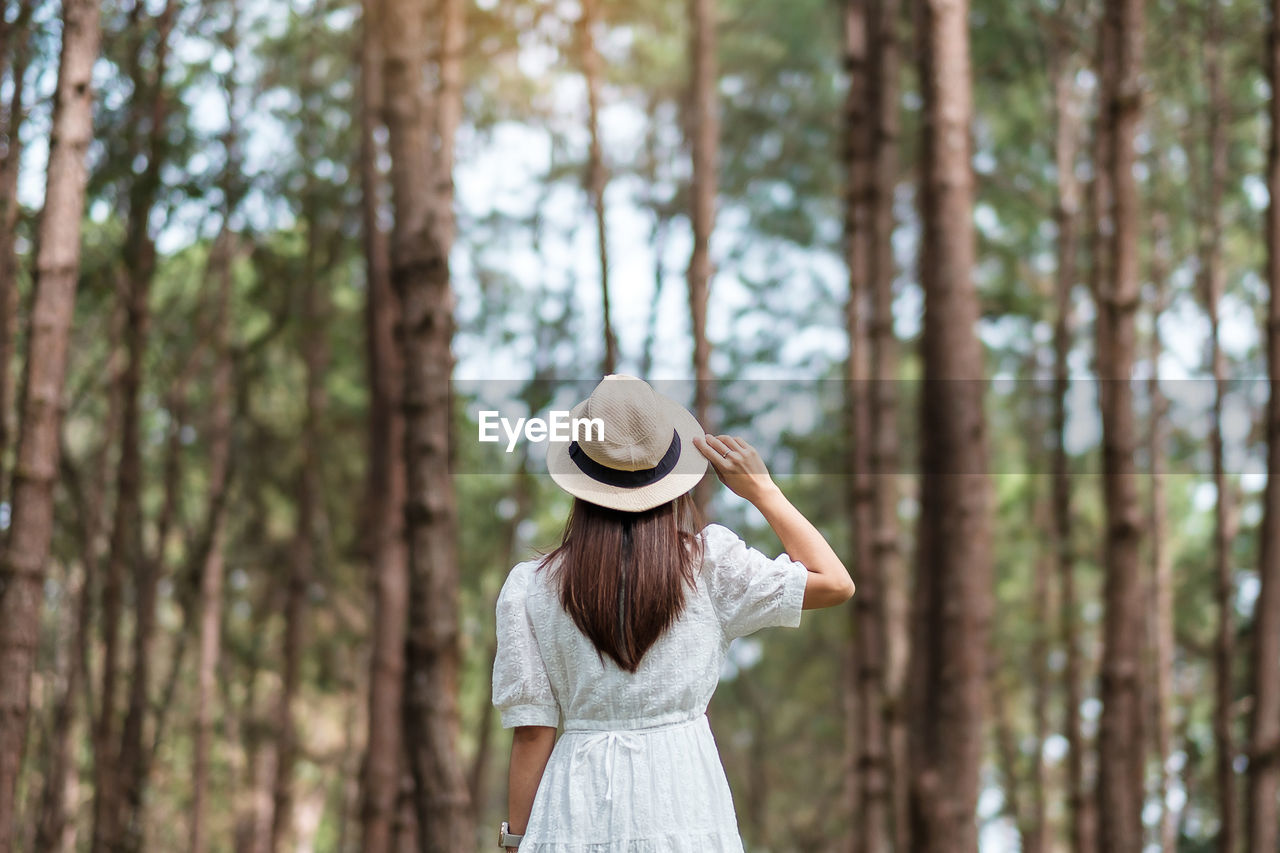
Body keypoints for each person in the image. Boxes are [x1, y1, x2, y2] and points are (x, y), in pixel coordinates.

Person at [492, 374, 855, 852]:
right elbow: (835, 582)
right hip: (684, 800)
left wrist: (518, 842)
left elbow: (534, 733)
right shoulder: (708, 567)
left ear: (580, 479)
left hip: (575, 811)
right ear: (670, 475)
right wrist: (763, 490)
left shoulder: (531, 587)